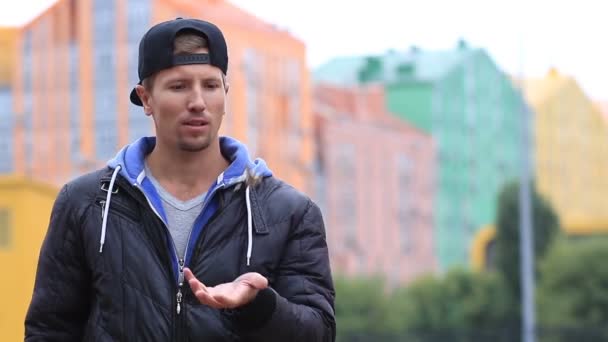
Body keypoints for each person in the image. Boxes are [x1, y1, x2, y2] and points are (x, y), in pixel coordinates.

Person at [25, 17, 335, 341]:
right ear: (146, 99)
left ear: (225, 93)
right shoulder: (86, 203)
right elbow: (49, 331)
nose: (198, 102)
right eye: (179, 86)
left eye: (211, 86)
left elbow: (320, 333)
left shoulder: (288, 212)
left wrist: (259, 306)